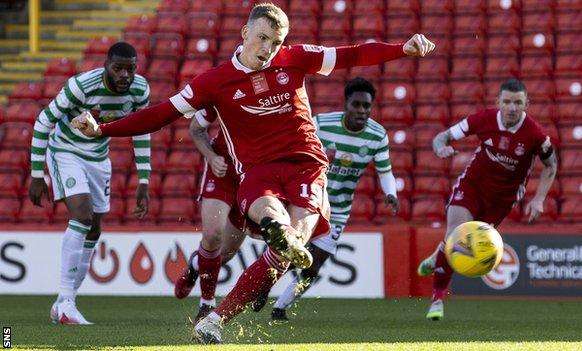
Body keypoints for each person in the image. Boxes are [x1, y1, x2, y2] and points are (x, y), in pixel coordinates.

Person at [71, 3, 434, 343]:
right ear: (245, 32)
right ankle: (276, 236)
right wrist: (104, 129)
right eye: (261, 38)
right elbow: (162, 113)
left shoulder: (295, 59)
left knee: (298, 236)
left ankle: (216, 319)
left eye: (276, 42)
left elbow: (353, 55)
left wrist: (404, 48)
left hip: (305, 164)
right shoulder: (215, 81)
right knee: (272, 219)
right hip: (257, 171)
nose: (268, 49)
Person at [250, 77, 400, 321]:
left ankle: (280, 308)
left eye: (367, 106)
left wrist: (390, 193)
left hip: (338, 209)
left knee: (314, 265)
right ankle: (264, 285)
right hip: (308, 200)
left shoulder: (377, 135)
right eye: (357, 105)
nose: (362, 111)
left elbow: (385, 171)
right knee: (288, 249)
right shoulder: (321, 124)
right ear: (346, 104)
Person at [28, 42, 151, 325]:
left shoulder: (140, 90)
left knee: (94, 229)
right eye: (118, 68)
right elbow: (43, 121)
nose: (124, 75)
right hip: (66, 151)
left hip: (98, 158)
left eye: (130, 69)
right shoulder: (80, 86)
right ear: (106, 65)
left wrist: (143, 178)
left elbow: (142, 130)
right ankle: (67, 303)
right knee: (81, 216)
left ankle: (64, 302)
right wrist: (37, 174)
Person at [416, 79, 557, 320]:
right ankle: (437, 299)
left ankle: (438, 253)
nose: (512, 107)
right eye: (507, 102)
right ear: (498, 102)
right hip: (473, 185)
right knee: (456, 235)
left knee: (465, 244)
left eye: (518, 103)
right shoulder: (482, 119)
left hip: (503, 198)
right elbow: (442, 137)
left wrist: (539, 199)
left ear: (526, 105)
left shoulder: (535, 134)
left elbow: (551, 165)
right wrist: (440, 148)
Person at [173, 108, 251, 326]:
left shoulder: (274, 94)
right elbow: (196, 130)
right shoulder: (224, 87)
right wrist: (212, 156)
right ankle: (206, 304)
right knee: (212, 235)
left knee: (224, 254)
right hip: (223, 171)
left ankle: (196, 264)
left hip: (254, 175)